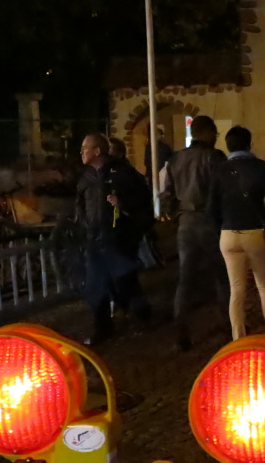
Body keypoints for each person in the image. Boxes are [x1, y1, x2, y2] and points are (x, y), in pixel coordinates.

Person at [210, 127, 265, 340]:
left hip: (228, 233)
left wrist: (220, 226)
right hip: (253, 231)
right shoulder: (259, 167)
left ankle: (238, 336)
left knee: (236, 289)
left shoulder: (219, 169)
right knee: (264, 284)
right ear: (249, 144)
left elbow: (211, 206)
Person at [75, 133, 153, 344]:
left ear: (97, 151)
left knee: (125, 280)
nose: (81, 152)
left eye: (85, 148)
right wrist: (84, 227)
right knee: (96, 284)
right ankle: (102, 327)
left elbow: (143, 200)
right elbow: (80, 205)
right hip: (95, 239)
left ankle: (143, 315)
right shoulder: (85, 177)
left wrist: (123, 204)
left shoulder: (123, 173)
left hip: (119, 239)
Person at [162, 115, 228, 351]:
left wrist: (172, 216)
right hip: (209, 222)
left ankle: (181, 333)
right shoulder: (214, 157)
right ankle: (231, 327)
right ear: (208, 133)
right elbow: (223, 192)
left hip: (185, 223)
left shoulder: (176, 159)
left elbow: (167, 194)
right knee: (221, 276)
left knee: (185, 280)